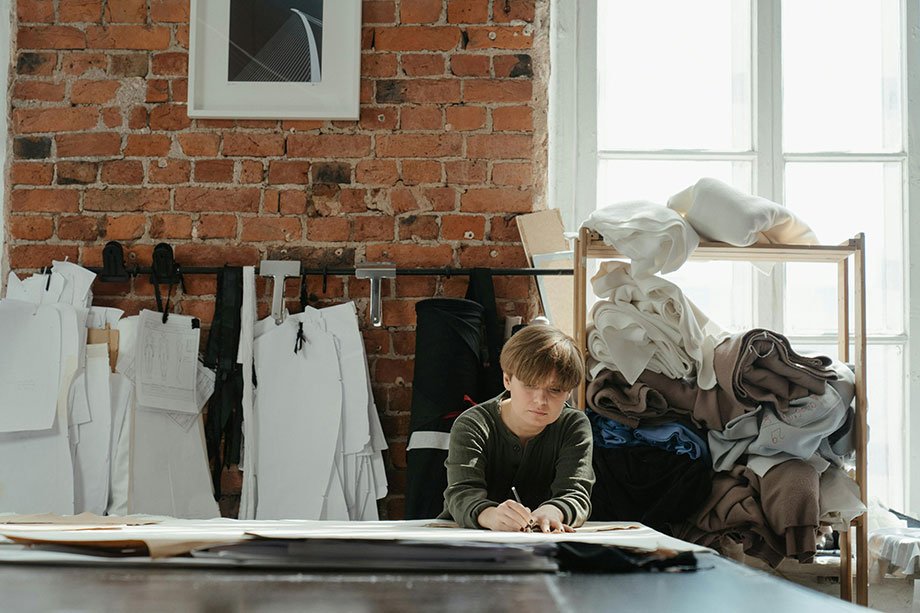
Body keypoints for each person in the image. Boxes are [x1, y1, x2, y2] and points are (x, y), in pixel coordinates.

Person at [441, 324, 594, 533]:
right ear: (507, 379)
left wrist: (553, 511)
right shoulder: (472, 424)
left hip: (547, 542)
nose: (541, 400)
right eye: (530, 385)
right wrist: (491, 515)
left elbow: (575, 493)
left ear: (568, 392)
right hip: (469, 540)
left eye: (555, 389)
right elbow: (462, 493)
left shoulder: (574, 426)